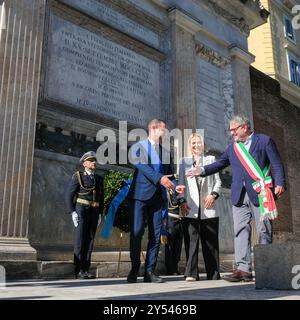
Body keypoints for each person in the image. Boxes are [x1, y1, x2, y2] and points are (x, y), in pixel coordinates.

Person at [187, 115, 286, 282]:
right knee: (240, 230)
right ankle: (243, 269)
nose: (231, 132)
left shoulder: (264, 141)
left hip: (261, 193)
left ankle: (265, 268)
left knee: (263, 230)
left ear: (245, 127)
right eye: (231, 130)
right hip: (239, 195)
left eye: (234, 129)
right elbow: (219, 163)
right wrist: (201, 170)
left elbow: (276, 163)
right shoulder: (232, 148)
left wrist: (280, 183)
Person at [126, 119, 175, 283]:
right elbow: (142, 166)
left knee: (155, 236)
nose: (166, 133)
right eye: (163, 129)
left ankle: (149, 272)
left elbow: (171, 175)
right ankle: (134, 269)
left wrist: (176, 186)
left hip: (158, 199)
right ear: (153, 128)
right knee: (137, 232)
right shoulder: (138, 147)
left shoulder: (166, 152)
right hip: (139, 196)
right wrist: (160, 178)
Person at [178, 133, 222, 281]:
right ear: (190, 146)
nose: (196, 145)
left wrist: (213, 195)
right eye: (193, 143)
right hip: (190, 208)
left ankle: (214, 273)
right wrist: (182, 201)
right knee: (191, 241)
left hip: (208, 207)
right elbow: (180, 185)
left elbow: (218, 182)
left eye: (199, 143)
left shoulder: (211, 160)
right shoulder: (184, 162)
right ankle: (191, 273)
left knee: (211, 243)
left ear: (204, 145)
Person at [65, 151, 103, 279]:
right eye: (91, 160)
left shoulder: (98, 178)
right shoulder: (78, 176)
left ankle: (86, 269)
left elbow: (101, 197)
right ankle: (79, 269)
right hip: (81, 210)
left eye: (94, 160)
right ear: (84, 163)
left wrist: (100, 214)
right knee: (80, 240)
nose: (94, 162)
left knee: (90, 240)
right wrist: (73, 212)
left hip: (94, 211)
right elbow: (69, 195)